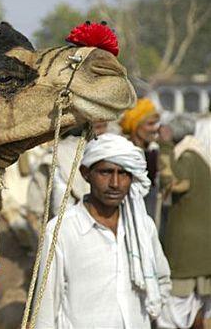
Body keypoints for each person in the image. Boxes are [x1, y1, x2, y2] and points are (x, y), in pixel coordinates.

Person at [34, 133, 171, 329]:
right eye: (105, 172)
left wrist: (143, 314)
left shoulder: (143, 227)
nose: (115, 183)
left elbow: (162, 280)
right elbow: (45, 307)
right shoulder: (61, 230)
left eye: (123, 173)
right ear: (85, 173)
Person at [156, 113, 211, 329]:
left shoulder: (187, 156)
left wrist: (165, 146)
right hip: (201, 249)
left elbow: (176, 183)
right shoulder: (200, 154)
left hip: (187, 250)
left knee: (173, 314)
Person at [119, 97, 162, 223]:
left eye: (155, 124)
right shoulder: (123, 151)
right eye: (150, 124)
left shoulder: (154, 150)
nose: (155, 129)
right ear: (136, 126)